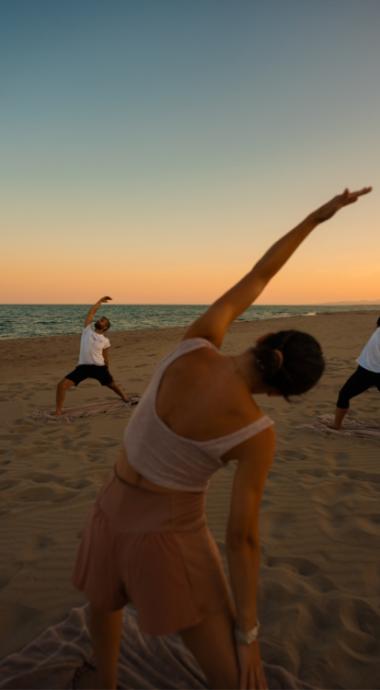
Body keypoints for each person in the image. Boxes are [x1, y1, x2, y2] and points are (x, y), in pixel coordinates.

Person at [72, 187, 371, 690]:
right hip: (168, 539)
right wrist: (248, 631)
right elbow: (242, 539)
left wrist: (317, 217)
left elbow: (259, 275)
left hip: (108, 511)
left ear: (260, 339)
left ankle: (106, 681)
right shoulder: (257, 432)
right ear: (281, 394)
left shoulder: (197, 340)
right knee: (234, 680)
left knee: (105, 603)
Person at [55, 296, 130, 416]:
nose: (99, 320)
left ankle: (125, 397)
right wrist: (99, 301)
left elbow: (106, 357)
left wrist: (107, 369)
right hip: (83, 367)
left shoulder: (105, 340)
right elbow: (91, 312)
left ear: (105, 327)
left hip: (99, 367)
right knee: (61, 386)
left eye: (102, 321)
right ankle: (58, 411)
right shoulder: (87, 330)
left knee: (112, 384)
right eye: (100, 319)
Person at [333, 315, 380, 430]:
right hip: (368, 369)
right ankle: (336, 425)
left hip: (368, 371)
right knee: (344, 395)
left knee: (344, 395)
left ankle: (336, 426)